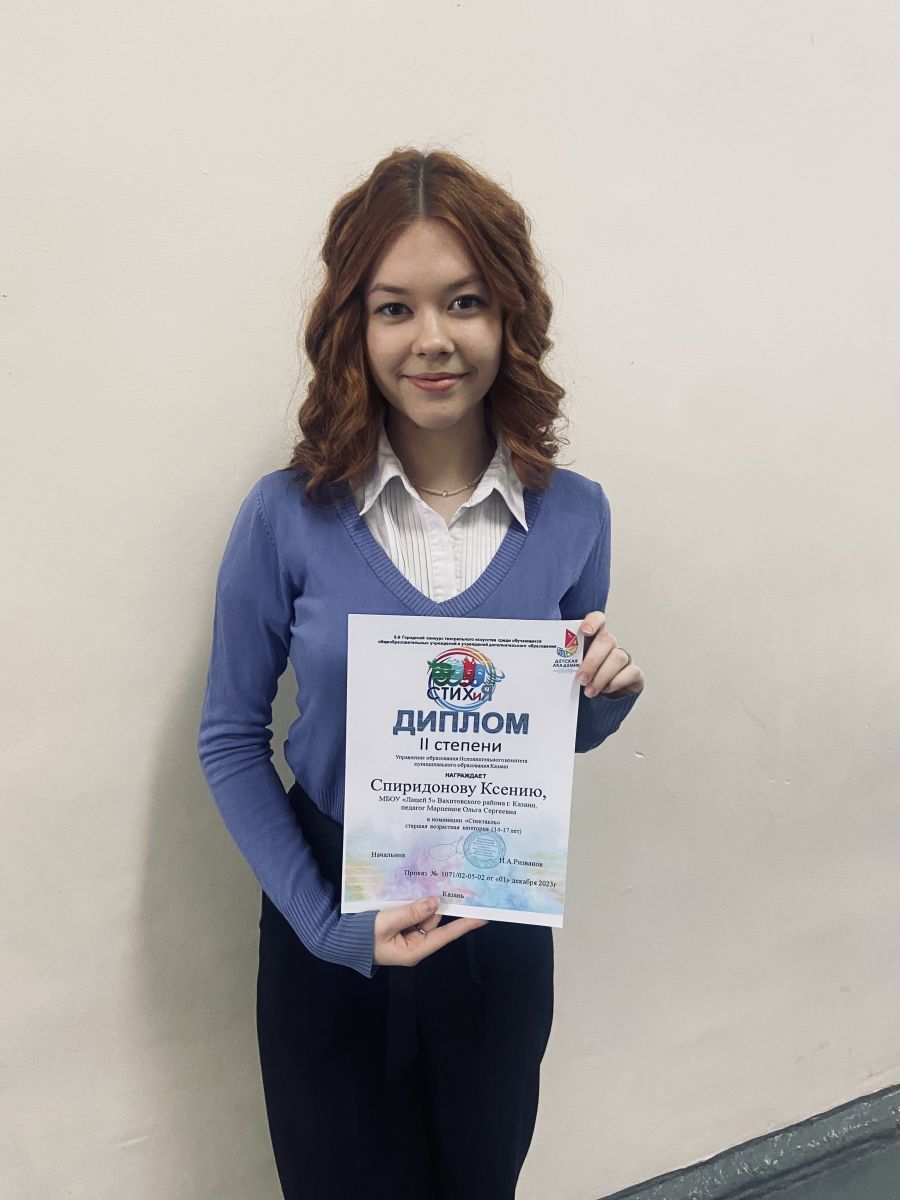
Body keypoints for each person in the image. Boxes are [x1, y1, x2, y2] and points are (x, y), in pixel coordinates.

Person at [197, 146, 644, 1200]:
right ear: (352, 327)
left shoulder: (576, 514)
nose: (432, 338)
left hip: (498, 919)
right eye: (394, 307)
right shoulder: (287, 516)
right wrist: (329, 928)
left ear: (511, 317)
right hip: (325, 912)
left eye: (466, 301)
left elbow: (552, 727)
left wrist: (603, 700)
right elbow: (229, 738)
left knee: (481, 1179)